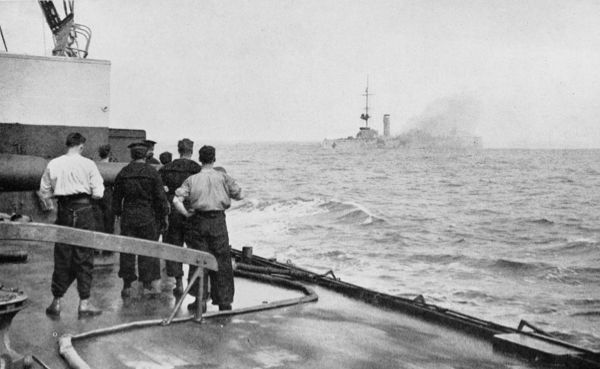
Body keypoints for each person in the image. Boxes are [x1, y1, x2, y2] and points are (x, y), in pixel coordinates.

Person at [39, 132, 105, 317]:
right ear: (81, 146)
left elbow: (44, 191)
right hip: (84, 211)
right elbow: (98, 193)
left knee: (62, 255)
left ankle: (56, 302)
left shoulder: (54, 163)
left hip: (64, 211)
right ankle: (84, 304)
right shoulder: (88, 164)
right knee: (84, 256)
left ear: (67, 145)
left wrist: (56, 197)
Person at [173, 145, 242, 311]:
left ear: (200, 159)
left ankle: (200, 301)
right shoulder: (223, 177)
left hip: (198, 221)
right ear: (214, 159)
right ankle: (224, 302)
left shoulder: (192, 179)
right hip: (218, 221)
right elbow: (240, 194)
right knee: (222, 261)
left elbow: (176, 200)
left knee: (198, 259)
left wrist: (186, 214)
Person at [112, 142, 170, 297]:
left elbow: (116, 197)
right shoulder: (152, 173)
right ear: (146, 155)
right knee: (148, 248)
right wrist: (164, 216)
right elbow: (160, 198)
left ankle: (127, 284)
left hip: (128, 216)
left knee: (127, 250)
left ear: (132, 155)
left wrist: (117, 214)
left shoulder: (124, 172)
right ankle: (146, 283)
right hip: (147, 216)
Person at [158, 139, 201, 295]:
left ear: (178, 150)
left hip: (173, 213)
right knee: (195, 249)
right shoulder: (198, 170)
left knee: (174, 247)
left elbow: (160, 193)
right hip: (193, 214)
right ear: (192, 150)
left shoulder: (166, 169)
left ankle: (179, 282)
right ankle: (194, 287)